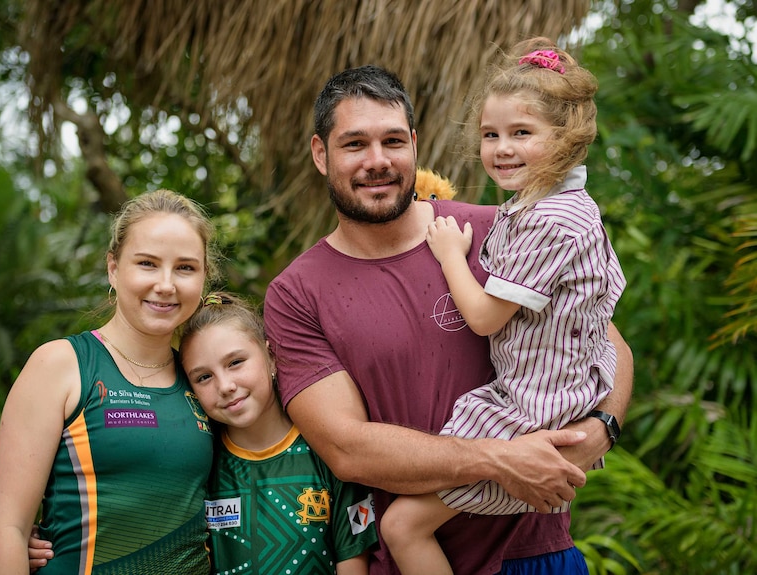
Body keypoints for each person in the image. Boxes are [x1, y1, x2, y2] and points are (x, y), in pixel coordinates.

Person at [263, 63, 633, 575]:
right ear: (320, 154)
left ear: (414, 144)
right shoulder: (296, 294)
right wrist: (499, 458)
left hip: (535, 554)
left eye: (393, 141)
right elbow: (347, 447)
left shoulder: (497, 230)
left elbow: (605, 341)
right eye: (354, 144)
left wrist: (602, 427)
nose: (378, 161)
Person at [378, 38, 625, 575]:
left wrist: (449, 256)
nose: (501, 149)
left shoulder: (548, 222)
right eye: (491, 135)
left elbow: (486, 317)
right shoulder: (559, 208)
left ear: (564, 140)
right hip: (558, 392)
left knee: (400, 525)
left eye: (522, 134)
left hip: (532, 416)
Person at [0, 189, 218, 575]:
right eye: (147, 263)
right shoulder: (60, 365)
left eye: (185, 268)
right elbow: (9, 532)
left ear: (203, 277)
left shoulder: (206, 382)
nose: (165, 284)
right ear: (113, 268)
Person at [178, 291, 378, 574]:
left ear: (271, 357)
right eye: (204, 377)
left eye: (235, 362)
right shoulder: (202, 465)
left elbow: (353, 559)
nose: (224, 386)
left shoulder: (327, 448)